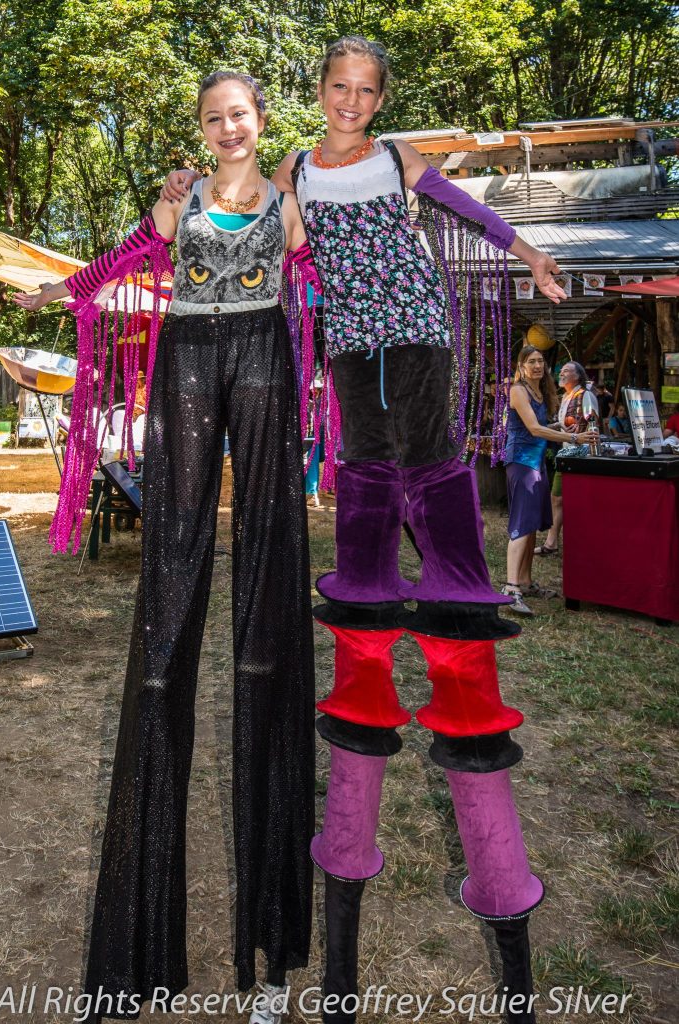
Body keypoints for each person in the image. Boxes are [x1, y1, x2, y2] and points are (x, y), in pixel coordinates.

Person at [164, 37, 576, 1024]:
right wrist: (193, 186)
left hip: (422, 351)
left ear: (380, 100)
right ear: (317, 97)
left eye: (365, 92)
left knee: (440, 526)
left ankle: (455, 597)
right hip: (352, 370)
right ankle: (337, 965)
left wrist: (524, 249)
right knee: (362, 534)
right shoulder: (300, 173)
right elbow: (256, 221)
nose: (350, 102)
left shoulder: (397, 161)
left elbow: (468, 211)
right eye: (336, 89)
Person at [13, 72, 315, 1024]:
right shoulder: (174, 203)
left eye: (242, 115)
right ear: (202, 128)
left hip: (266, 360)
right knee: (161, 646)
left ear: (262, 125)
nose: (229, 128)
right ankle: (134, 949)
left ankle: (268, 960)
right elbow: (112, 268)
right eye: (215, 117)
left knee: (267, 636)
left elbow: (345, 275)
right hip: (185, 364)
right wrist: (62, 293)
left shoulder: (293, 205)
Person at [503, 347, 595, 615]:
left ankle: (526, 582)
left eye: (540, 361)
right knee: (521, 523)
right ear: (521, 366)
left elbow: (537, 427)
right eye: (531, 362)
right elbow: (532, 429)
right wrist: (574, 438)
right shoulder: (518, 390)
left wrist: (558, 428)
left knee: (531, 523)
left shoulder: (540, 392)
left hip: (537, 463)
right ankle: (511, 588)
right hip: (521, 463)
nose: (537, 366)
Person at [535, 361, 599, 557]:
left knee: (560, 498)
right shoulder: (566, 397)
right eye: (560, 371)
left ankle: (558, 542)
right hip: (567, 454)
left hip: (580, 456)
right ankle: (553, 542)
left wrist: (592, 453)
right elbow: (564, 425)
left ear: (577, 376)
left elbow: (593, 423)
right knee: (559, 498)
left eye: (566, 371)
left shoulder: (585, 395)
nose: (561, 374)